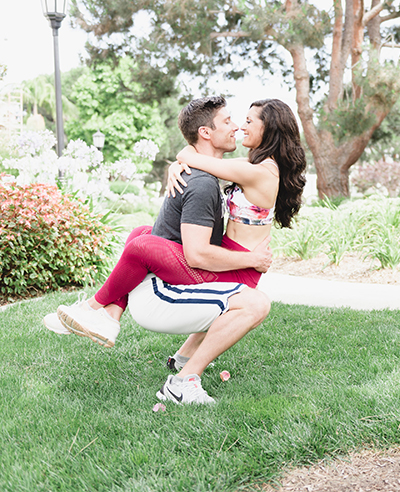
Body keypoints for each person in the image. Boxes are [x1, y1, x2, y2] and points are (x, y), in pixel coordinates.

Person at [47, 96, 306, 403]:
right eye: (236, 120)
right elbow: (192, 156)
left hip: (238, 266)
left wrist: (183, 161)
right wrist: (177, 165)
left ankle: (100, 312)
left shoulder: (262, 172)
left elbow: (192, 156)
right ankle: (131, 327)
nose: (240, 126)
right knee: (141, 233)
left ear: (270, 128)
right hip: (231, 257)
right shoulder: (253, 166)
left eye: (249, 121)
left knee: (143, 245)